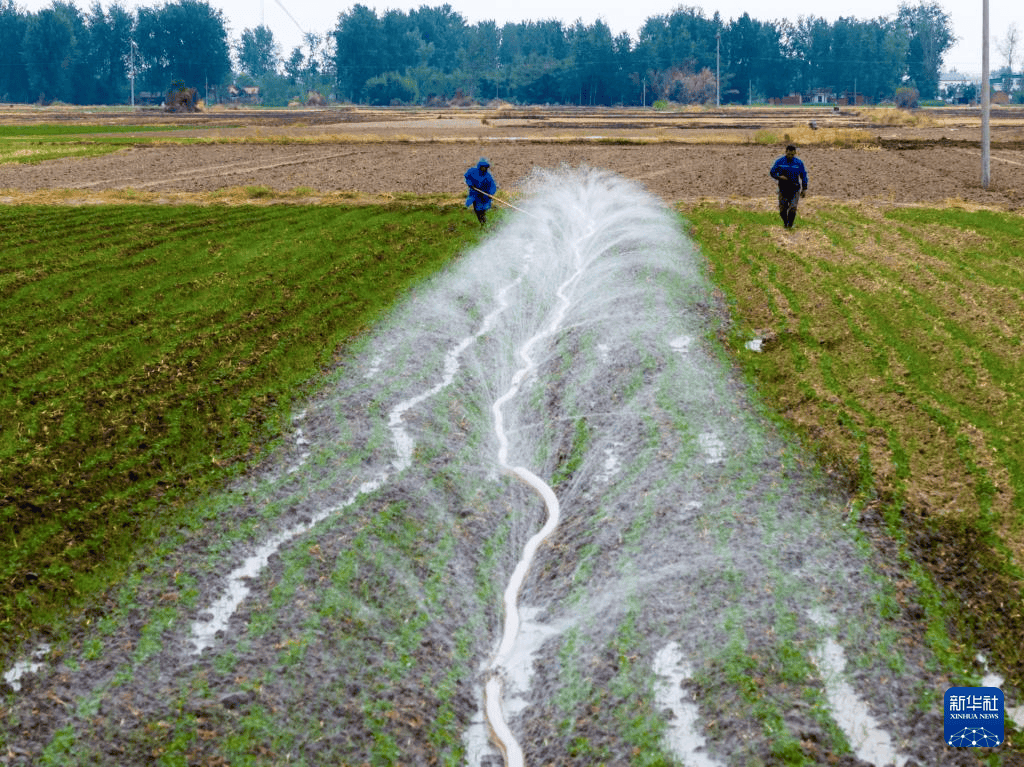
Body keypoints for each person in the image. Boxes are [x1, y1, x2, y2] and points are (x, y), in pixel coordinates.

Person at [770, 145, 808, 229]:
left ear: (795, 153)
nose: (790, 156)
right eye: (789, 154)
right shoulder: (779, 162)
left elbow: (803, 176)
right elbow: (772, 172)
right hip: (783, 189)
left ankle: (790, 225)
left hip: (795, 189)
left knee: (792, 208)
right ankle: (785, 223)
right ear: (786, 152)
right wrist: (779, 177)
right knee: (782, 210)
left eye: (792, 154)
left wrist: (804, 189)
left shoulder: (799, 163)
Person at [464, 157, 497, 225]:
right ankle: (482, 222)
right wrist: (471, 185)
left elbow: (492, 186)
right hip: (475, 194)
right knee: (477, 209)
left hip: (484, 196)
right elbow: (467, 177)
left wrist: (491, 193)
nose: (484, 169)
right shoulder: (472, 171)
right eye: (483, 167)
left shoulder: (488, 176)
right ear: (480, 166)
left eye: (485, 167)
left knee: (483, 209)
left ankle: (484, 222)